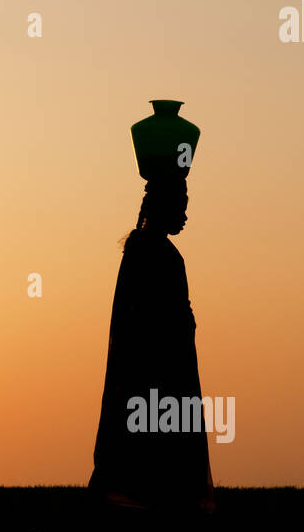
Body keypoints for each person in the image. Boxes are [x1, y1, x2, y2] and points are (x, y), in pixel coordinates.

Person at [90, 177, 215, 511]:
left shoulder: (143, 249)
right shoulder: (158, 252)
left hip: (153, 363)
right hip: (161, 364)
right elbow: (157, 315)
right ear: (166, 207)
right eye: (181, 205)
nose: (186, 214)